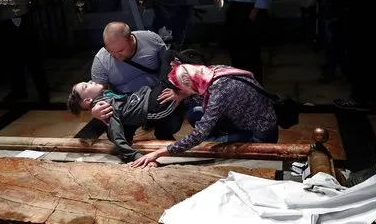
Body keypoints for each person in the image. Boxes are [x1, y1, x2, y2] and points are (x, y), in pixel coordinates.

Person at [131, 61, 279, 168]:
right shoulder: (211, 72)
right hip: (242, 119)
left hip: (261, 134)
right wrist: (182, 95)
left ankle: (227, 138)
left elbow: (198, 135)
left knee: (204, 144)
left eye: (179, 89)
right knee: (195, 113)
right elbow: (197, 97)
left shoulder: (220, 91)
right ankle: (224, 135)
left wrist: (160, 153)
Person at [90, 22, 185, 140]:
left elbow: (171, 66)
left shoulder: (151, 40)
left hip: (156, 94)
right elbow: (98, 94)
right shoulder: (101, 60)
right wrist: (95, 110)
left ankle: (162, 129)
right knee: (116, 134)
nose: (117, 57)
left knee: (171, 122)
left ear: (131, 39)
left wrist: (178, 91)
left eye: (120, 51)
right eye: (111, 52)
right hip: (128, 102)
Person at [67, 79, 184, 165]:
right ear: (88, 100)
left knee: (174, 67)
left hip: (149, 95)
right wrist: (136, 156)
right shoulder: (104, 107)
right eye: (86, 86)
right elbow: (117, 136)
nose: (90, 81)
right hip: (153, 105)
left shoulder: (106, 94)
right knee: (175, 69)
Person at [0, 0, 50, 103]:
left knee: (34, 57)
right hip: (6, 21)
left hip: (25, 18)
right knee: (12, 58)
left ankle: (43, 91)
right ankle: (18, 90)